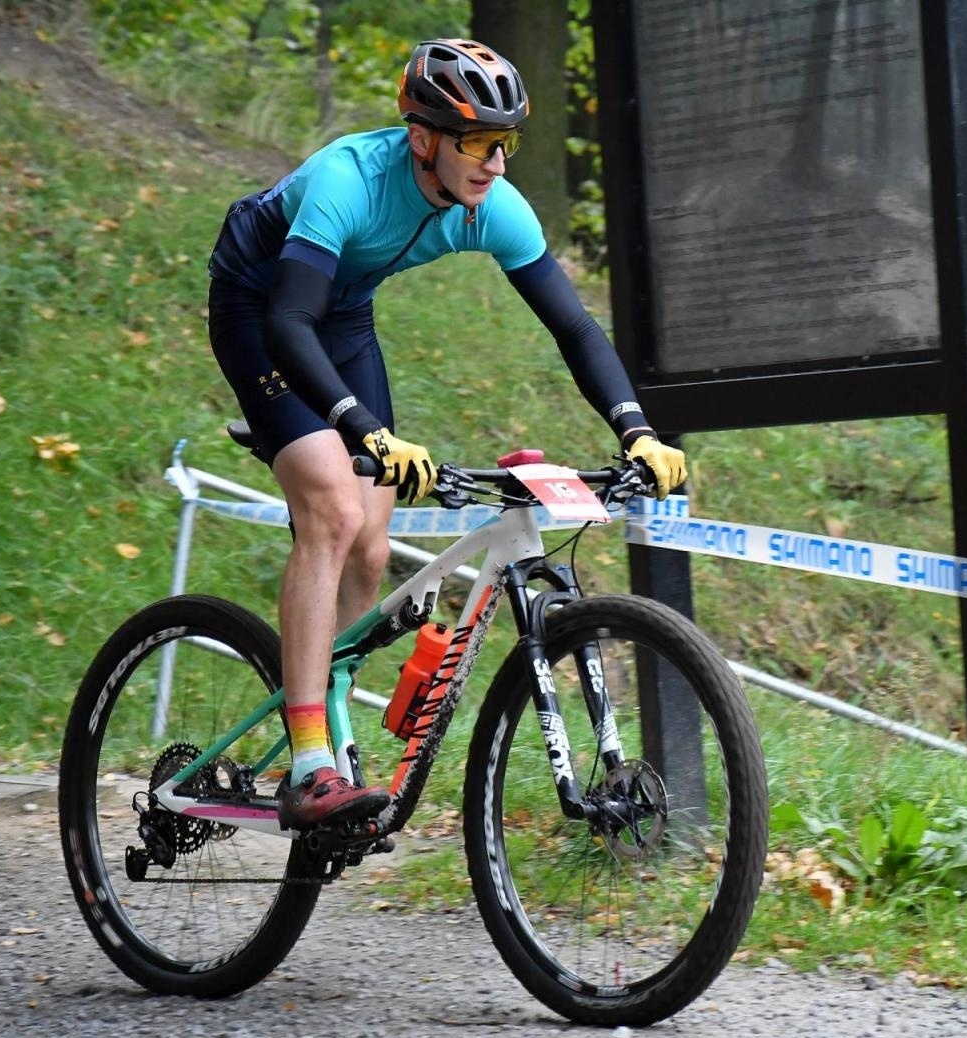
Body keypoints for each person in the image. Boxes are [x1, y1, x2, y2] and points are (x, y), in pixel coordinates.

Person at [205, 38, 687, 829]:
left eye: (506, 144)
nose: (497, 164)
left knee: (370, 544)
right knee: (331, 509)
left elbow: (572, 326)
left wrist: (635, 428)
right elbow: (290, 323)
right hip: (264, 306)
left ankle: (330, 720)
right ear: (423, 138)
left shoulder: (491, 206)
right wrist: (363, 430)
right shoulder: (347, 180)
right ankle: (309, 763)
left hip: (344, 311)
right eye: (478, 143)